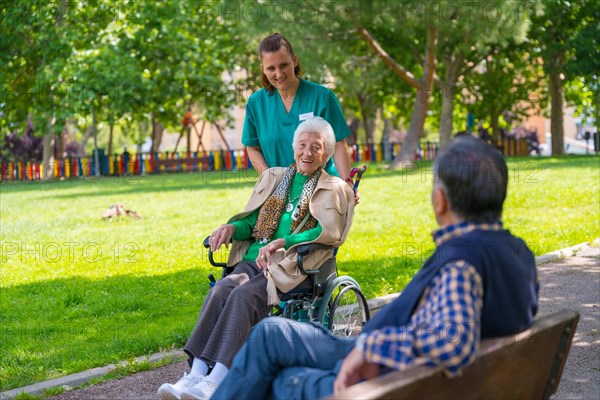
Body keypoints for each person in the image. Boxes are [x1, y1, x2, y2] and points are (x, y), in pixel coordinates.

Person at [210, 136, 539, 399]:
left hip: (387, 380)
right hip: (414, 377)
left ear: (440, 201)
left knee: (283, 377)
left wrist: (369, 348)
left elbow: (452, 341)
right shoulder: (518, 254)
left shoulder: (463, 263)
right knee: (271, 333)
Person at [157, 117, 355, 400]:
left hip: (289, 266)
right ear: (294, 146)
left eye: (316, 147)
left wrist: (283, 241)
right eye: (302, 145)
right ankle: (195, 374)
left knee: (243, 297)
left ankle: (218, 379)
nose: (307, 153)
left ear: (326, 153)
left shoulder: (332, 187)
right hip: (254, 259)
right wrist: (230, 228)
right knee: (222, 289)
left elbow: (327, 231)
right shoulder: (275, 178)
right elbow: (250, 222)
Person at [243, 33, 356, 196]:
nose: (279, 74)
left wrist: (347, 184)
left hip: (322, 191)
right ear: (263, 69)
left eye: (283, 65)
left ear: (294, 61)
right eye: (271, 68)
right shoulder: (256, 103)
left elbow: (338, 143)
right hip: (279, 193)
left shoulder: (322, 97)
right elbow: (252, 147)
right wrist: (270, 180)